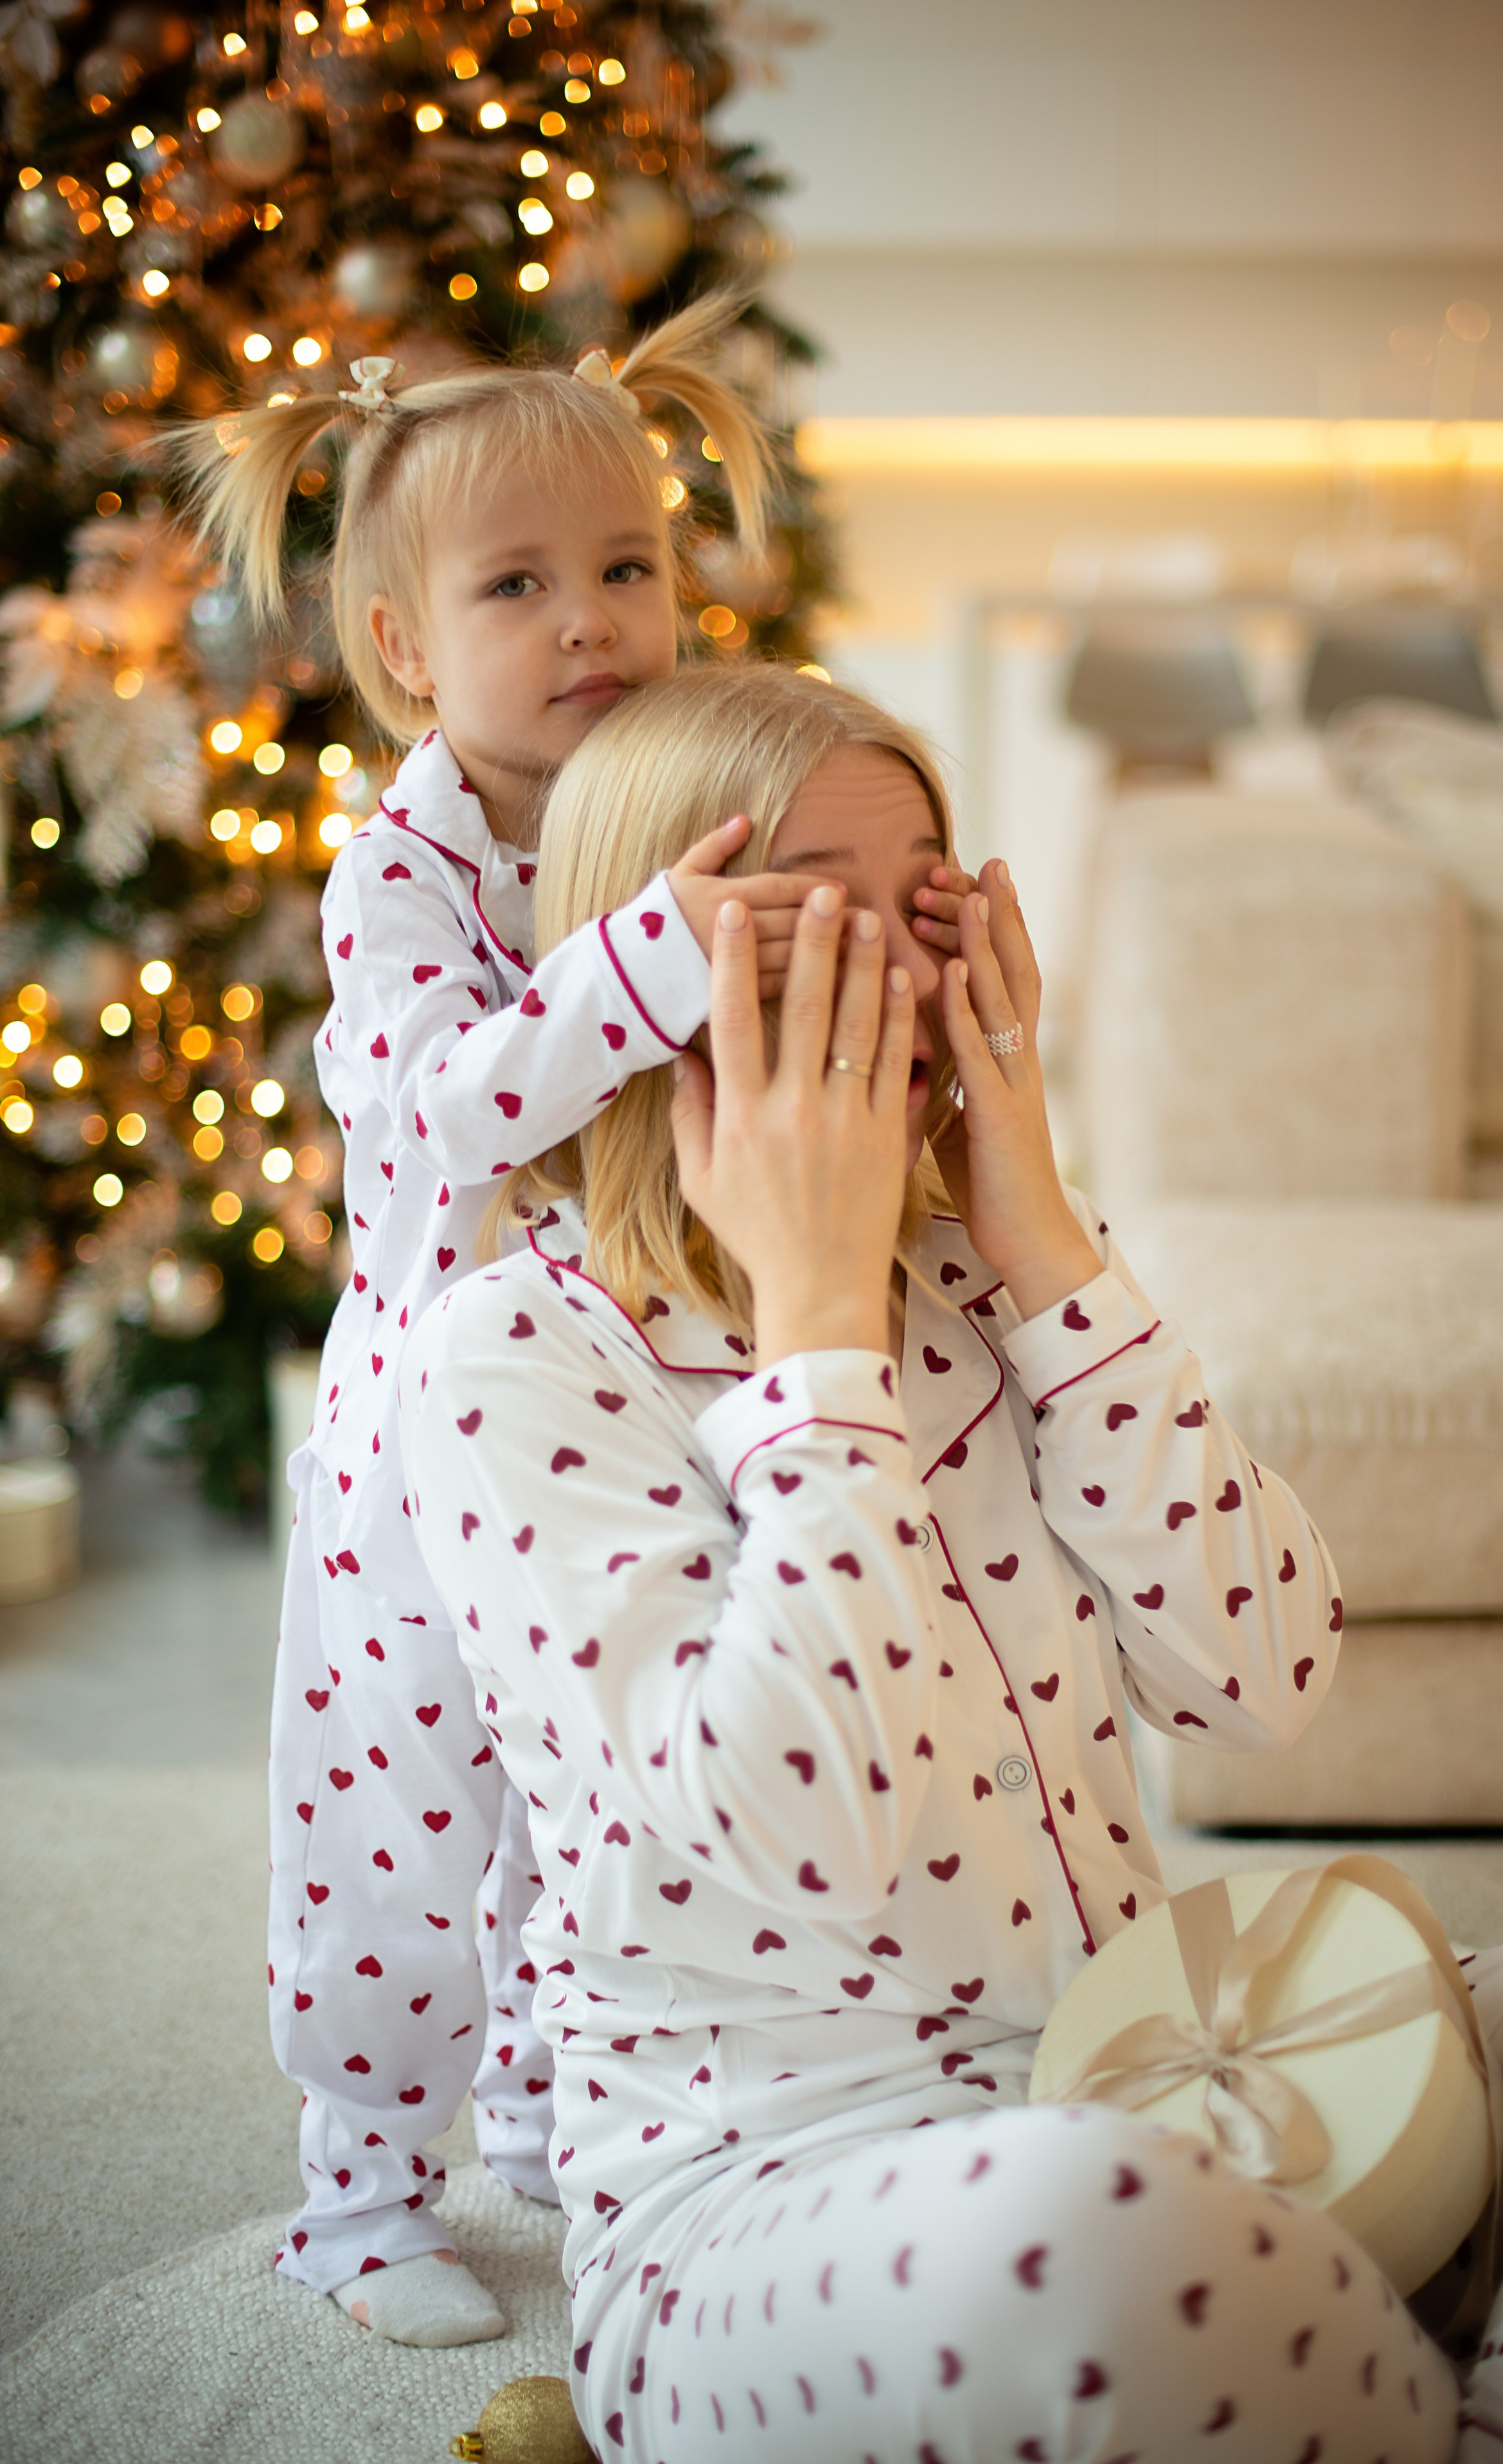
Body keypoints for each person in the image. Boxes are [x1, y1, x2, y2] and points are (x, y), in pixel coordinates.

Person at [400, 664, 1503, 2460]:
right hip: (773, 2203)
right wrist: (817, 1327)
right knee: (1107, 2239)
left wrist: (1049, 1247)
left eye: (924, 913)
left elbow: (1267, 1679)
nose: (898, 982)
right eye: (808, 923)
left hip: (1167, 2069)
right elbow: (815, 1831)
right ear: (648, 965)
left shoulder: (987, 1279)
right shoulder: (514, 1358)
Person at [173, 304, 976, 2348]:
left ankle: (546, 2103)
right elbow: (446, 1109)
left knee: (593, 1783)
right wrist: (641, 960)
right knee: (400, 1812)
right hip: (426, 1437)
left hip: (626, 1401)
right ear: (404, 648)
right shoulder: (397, 877)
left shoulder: (678, 796)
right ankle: (361, 2184)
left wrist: (895, 931)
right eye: (517, 585)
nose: (589, 617)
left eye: (625, 565)